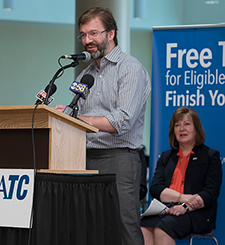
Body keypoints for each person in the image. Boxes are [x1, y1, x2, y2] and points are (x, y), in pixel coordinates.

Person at [56, 7, 151, 245]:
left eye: (94, 33)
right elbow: (77, 114)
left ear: (111, 33)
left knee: (123, 227)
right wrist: (60, 114)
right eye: (83, 35)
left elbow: (123, 121)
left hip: (119, 158)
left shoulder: (129, 68)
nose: (87, 40)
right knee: (89, 227)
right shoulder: (84, 75)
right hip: (83, 158)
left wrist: (76, 119)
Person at [141, 107, 222, 245]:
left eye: (187, 124)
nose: (181, 128)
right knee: (143, 227)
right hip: (168, 209)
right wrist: (181, 197)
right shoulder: (166, 157)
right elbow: (156, 188)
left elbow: (211, 192)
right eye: (177, 125)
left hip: (198, 213)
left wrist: (185, 206)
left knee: (162, 229)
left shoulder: (210, 155)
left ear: (196, 128)